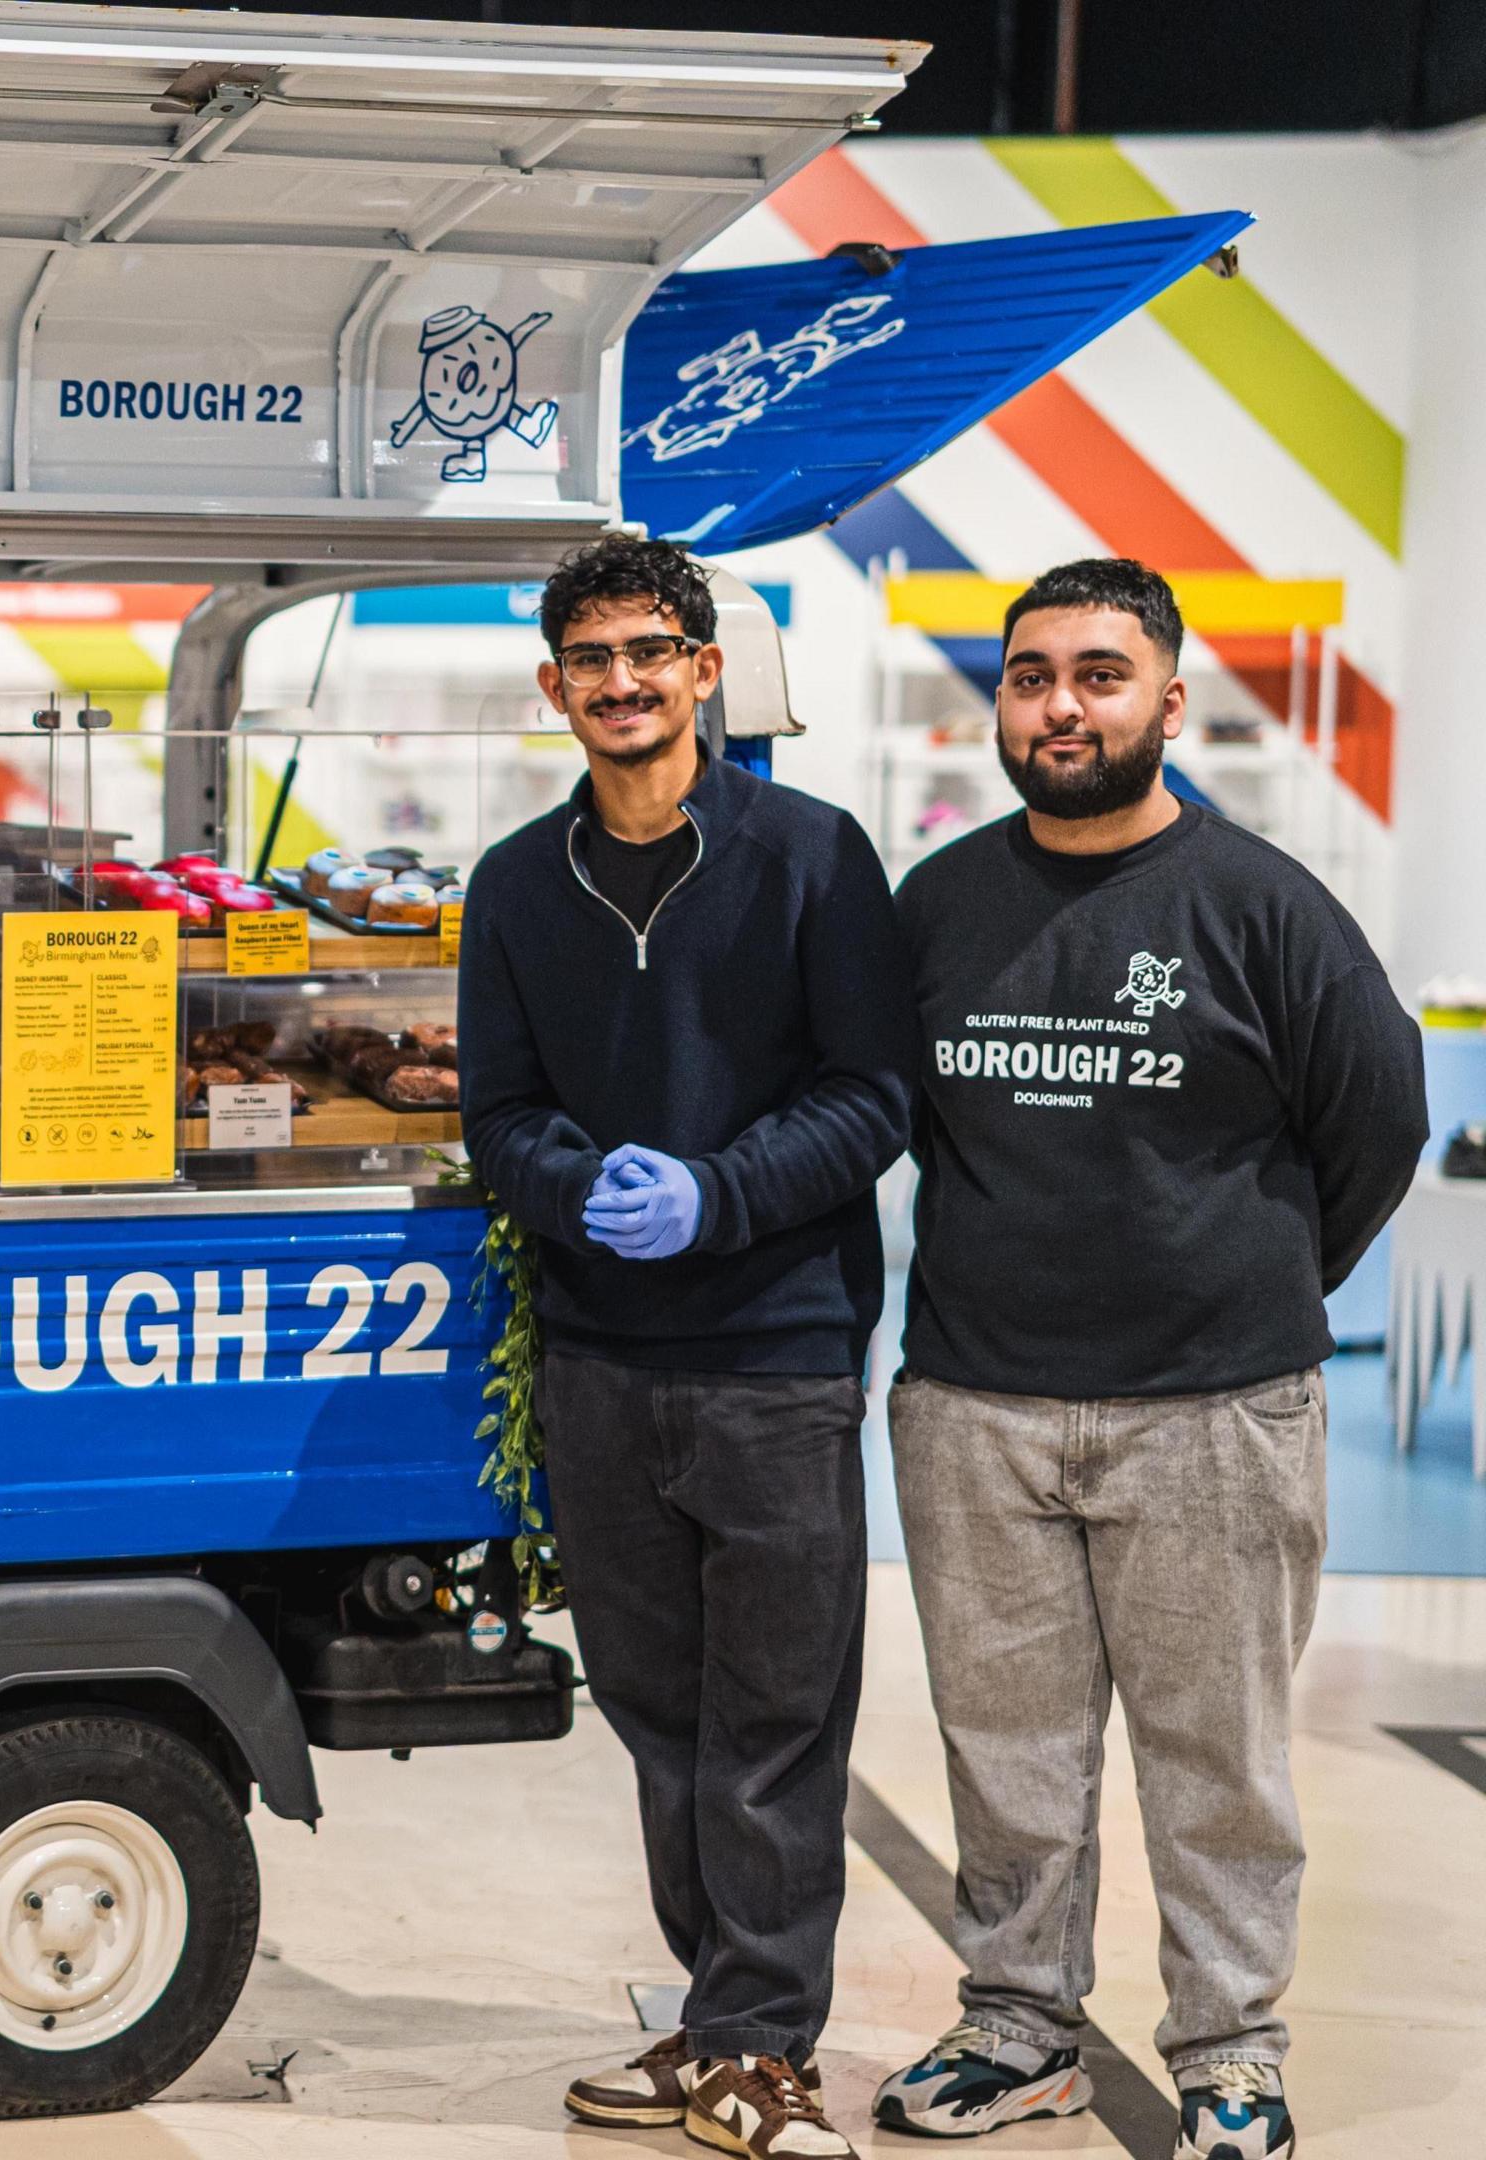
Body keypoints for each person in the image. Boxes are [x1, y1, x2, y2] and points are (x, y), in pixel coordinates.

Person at [871, 561, 1423, 2160]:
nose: (1063, 705)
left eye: (1101, 675)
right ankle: (1019, 2029)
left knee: (1219, 1764)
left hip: (1211, 1410)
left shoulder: (1262, 907)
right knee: (1008, 1755)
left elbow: (1376, 1118)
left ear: (1169, 703)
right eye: (1033, 675)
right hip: (976, 1400)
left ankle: (1234, 2056)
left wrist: (1252, 1289)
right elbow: (888, 1113)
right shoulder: (944, 905)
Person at [459, 537, 914, 2160]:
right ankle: (717, 2022)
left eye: (653, 651)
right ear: (553, 688)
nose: (625, 682)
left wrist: (716, 1195)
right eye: (592, 659)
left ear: (706, 671)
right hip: (597, 1357)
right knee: (660, 1713)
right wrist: (585, 1192)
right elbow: (498, 1117)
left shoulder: (812, 858)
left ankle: (767, 2054)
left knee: (779, 1719)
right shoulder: (516, 885)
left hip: (776, 1359)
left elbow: (875, 1097)